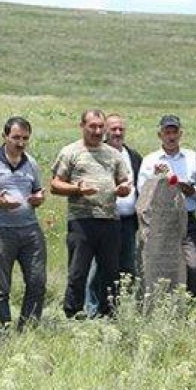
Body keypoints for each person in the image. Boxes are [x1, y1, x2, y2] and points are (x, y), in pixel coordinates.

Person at [51, 109, 132, 317]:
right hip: (82, 221)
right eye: (92, 126)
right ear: (82, 127)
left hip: (110, 220)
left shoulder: (114, 154)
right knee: (78, 272)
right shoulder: (70, 152)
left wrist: (124, 189)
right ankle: (73, 313)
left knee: (110, 272)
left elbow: (124, 182)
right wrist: (77, 189)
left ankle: (109, 315)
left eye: (100, 127)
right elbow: (55, 184)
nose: (97, 131)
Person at [0, 117, 47, 333]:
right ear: (5, 136)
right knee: (0, 287)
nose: (21, 143)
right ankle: (2, 332)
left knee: (37, 282)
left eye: (25, 138)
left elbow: (37, 191)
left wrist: (38, 199)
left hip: (29, 229)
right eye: (16, 137)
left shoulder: (31, 163)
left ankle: (28, 329)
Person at [137, 114, 196, 297]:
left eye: (174, 132)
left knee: (192, 267)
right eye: (167, 132)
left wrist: (190, 190)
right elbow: (142, 192)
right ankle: (161, 302)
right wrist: (156, 179)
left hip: (187, 220)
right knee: (160, 267)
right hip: (160, 221)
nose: (171, 136)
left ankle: (188, 303)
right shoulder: (150, 160)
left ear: (180, 134)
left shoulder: (192, 158)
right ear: (160, 135)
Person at [84, 113, 142, 314]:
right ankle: (92, 309)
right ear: (106, 131)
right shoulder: (99, 153)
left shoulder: (133, 156)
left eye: (121, 129)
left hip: (127, 221)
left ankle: (115, 308)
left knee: (127, 266)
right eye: (113, 129)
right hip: (103, 219)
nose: (117, 133)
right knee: (99, 267)